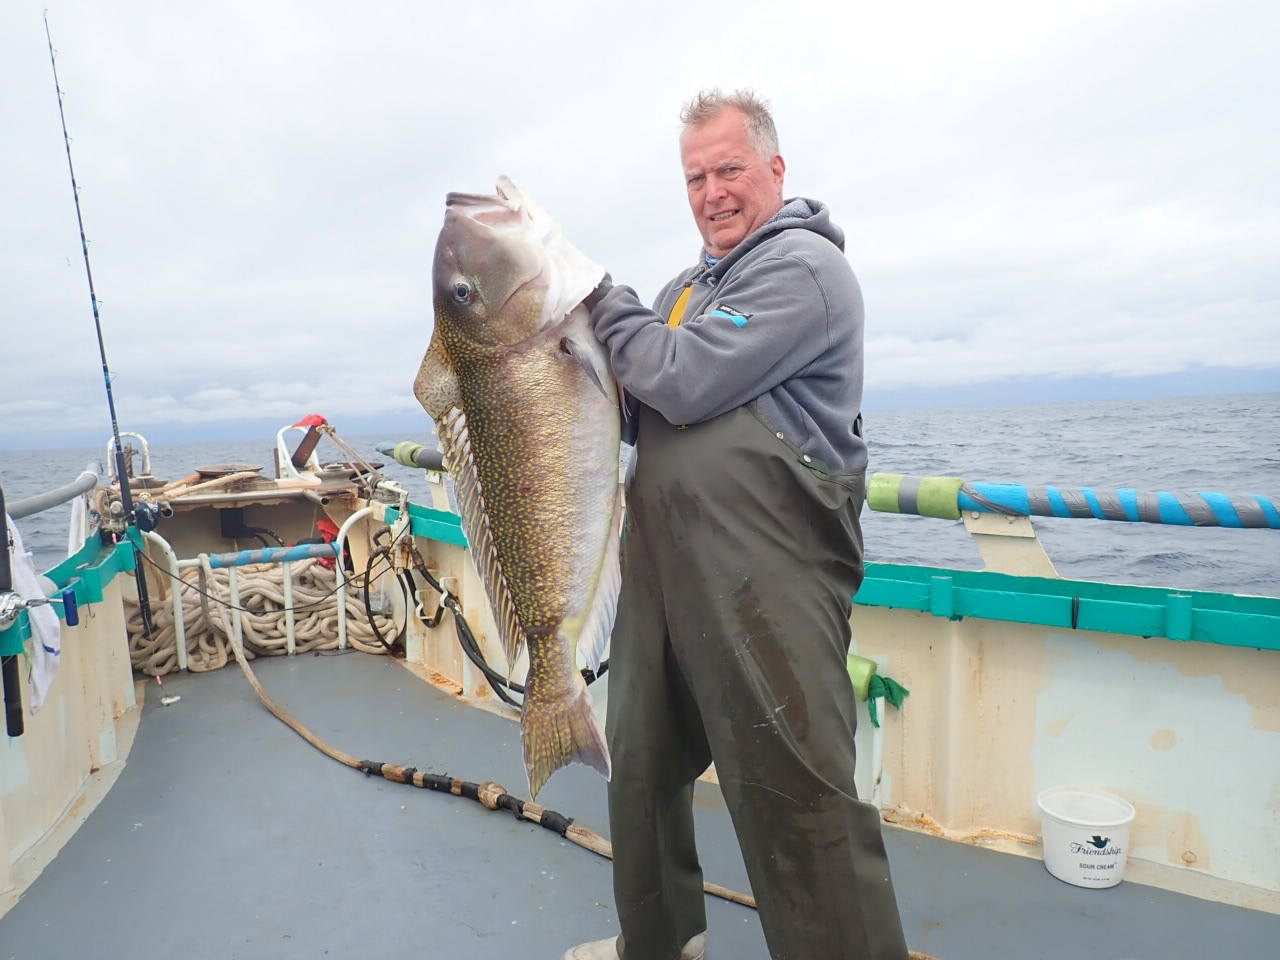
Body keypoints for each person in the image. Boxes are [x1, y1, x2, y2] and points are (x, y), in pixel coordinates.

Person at [563, 89, 910, 960]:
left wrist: (597, 295)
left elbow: (683, 378)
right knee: (639, 769)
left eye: (729, 170)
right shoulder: (684, 290)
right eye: (695, 178)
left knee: (797, 794)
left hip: (771, 574)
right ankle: (659, 944)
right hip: (660, 571)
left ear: (774, 169)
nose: (712, 193)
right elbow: (636, 406)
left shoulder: (803, 269)